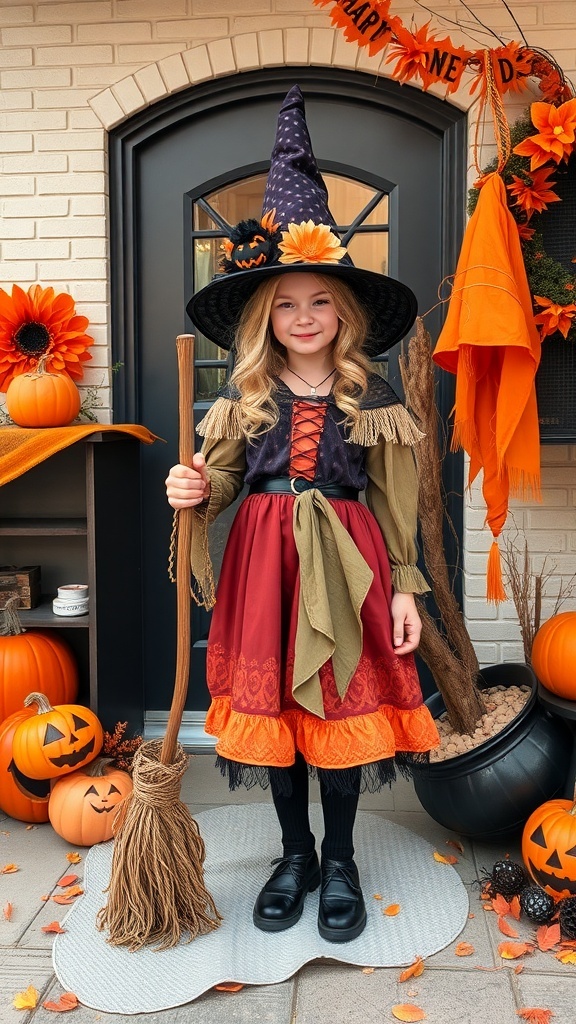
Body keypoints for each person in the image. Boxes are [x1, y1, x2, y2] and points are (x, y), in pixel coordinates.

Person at [166, 86, 439, 944]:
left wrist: (405, 588)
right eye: (286, 304)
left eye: (320, 301)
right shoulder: (245, 396)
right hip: (263, 566)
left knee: (337, 704)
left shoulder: (372, 395)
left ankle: (343, 857)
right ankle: (296, 855)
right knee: (280, 713)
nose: (304, 317)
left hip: (350, 564)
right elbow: (219, 480)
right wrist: (192, 489)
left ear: (344, 312)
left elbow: (395, 502)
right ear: (264, 318)